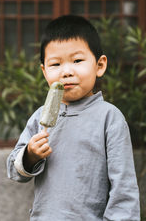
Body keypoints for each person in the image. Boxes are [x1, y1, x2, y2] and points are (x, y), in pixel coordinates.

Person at [7, 15, 140, 221]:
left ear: (100, 65)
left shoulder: (109, 117)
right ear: (44, 72)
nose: (66, 72)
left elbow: (123, 188)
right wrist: (30, 155)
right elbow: (14, 171)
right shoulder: (39, 117)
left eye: (77, 61)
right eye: (55, 64)